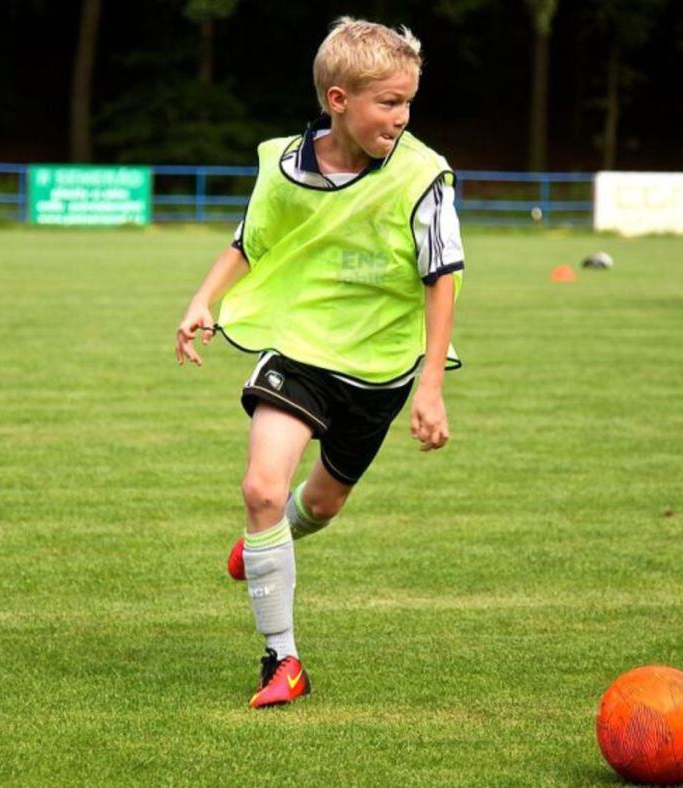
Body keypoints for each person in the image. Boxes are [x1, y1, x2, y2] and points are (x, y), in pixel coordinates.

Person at [174, 17, 464, 708]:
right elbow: (250, 242)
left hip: (384, 366)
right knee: (261, 489)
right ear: (339, 99)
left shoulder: (423, 176)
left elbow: (442, 277)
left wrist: (430, 387)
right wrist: (203, 299)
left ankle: (268, 541)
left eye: (409, 103)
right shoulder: (283, 166)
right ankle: (283, 661)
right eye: (388, 103)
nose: (402, 118)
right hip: (300, 348)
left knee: (321, 505)